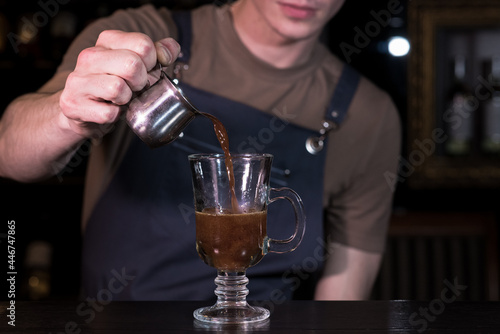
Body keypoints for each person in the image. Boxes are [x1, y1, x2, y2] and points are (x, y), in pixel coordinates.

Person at [0, 0, 401, 301]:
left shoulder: (366, 115)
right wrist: (67, 116)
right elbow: (9, 153)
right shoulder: (143, 38)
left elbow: (344, 292)